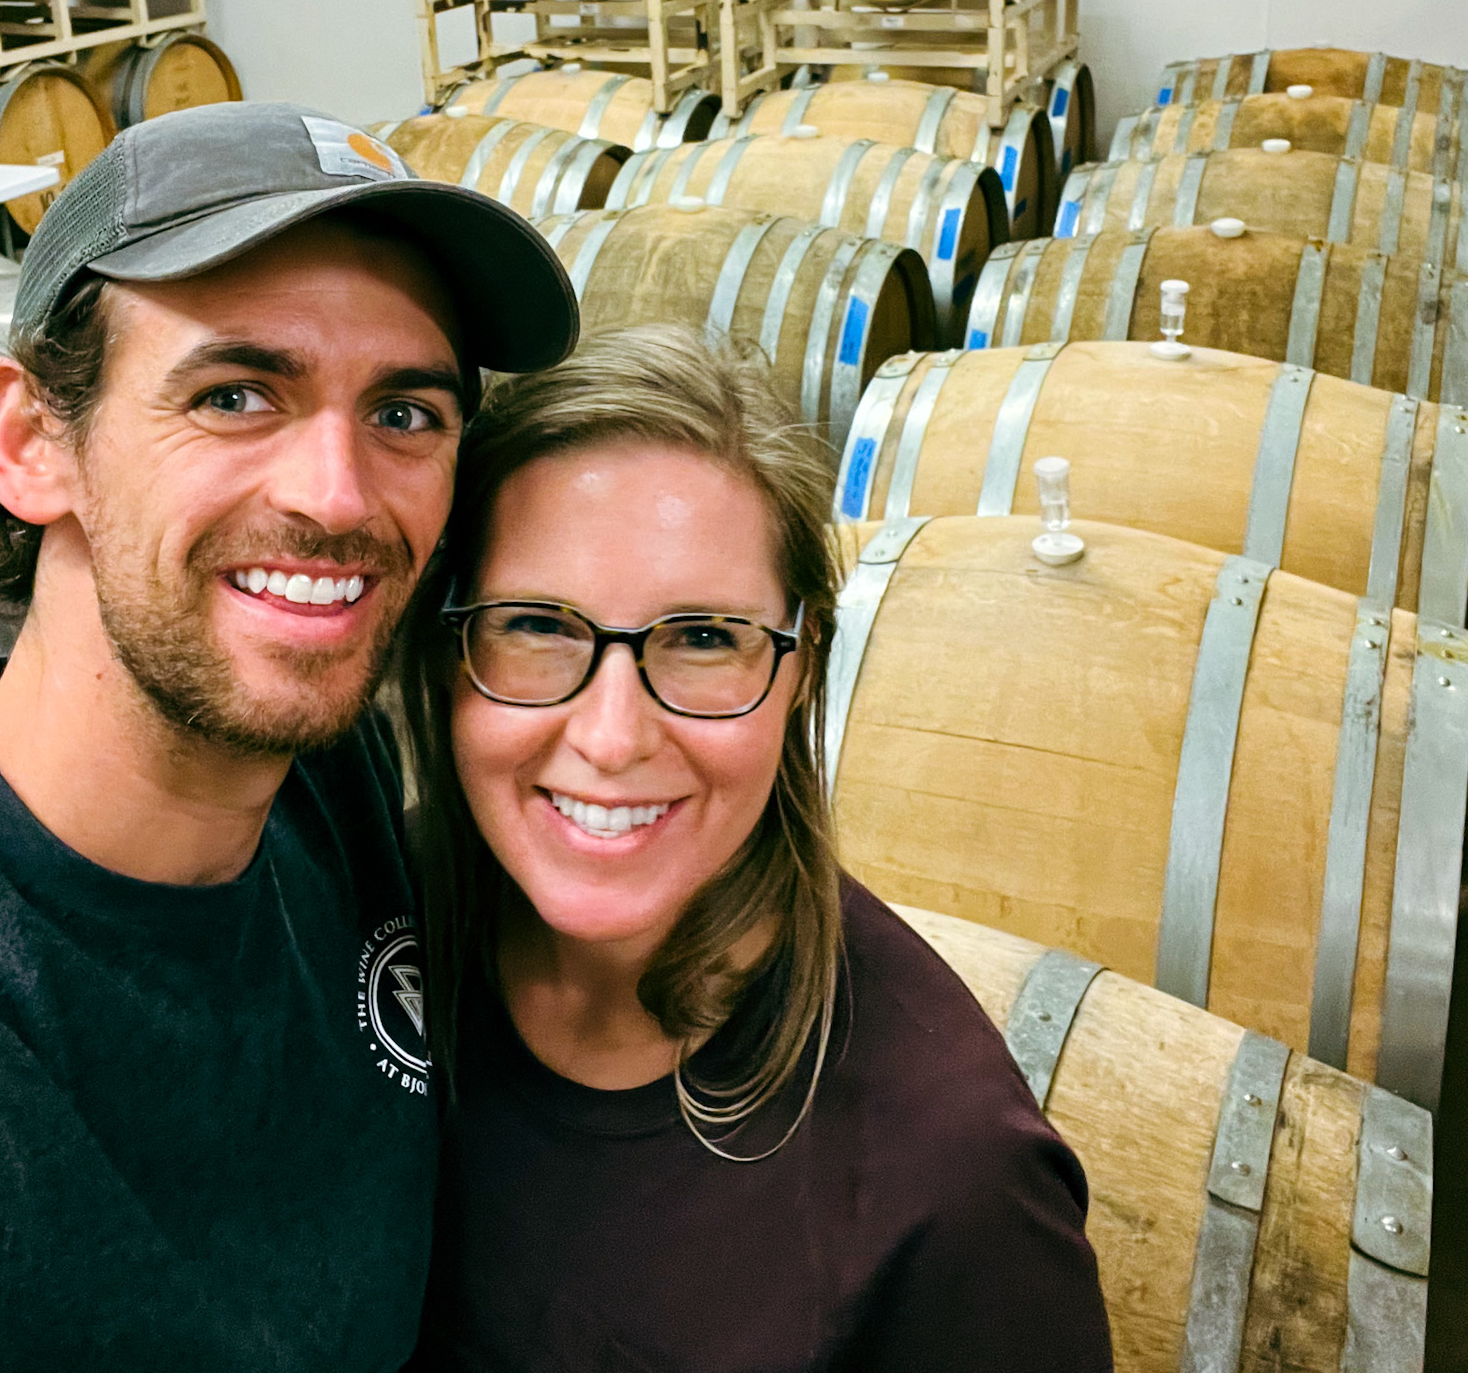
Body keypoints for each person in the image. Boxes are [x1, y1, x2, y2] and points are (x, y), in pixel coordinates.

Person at [0, 101, 577, 1371]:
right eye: (236, 394)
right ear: (28, 440)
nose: (337, 497)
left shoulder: (337, 785)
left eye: (405, 414)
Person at [402, 324, 1113, 1371]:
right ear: (452, 643)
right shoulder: (388, 913)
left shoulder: (949, 1183)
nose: (609, 735)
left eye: (701, 638)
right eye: (538, 624)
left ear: (801, 666)